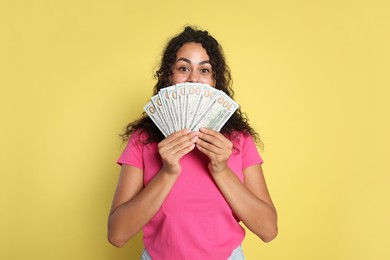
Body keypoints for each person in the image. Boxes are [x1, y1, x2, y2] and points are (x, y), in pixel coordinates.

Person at [107, 26, 278, 260]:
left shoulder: (239, 141)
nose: (194, 79)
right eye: (183, 68)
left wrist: (221, 169)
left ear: (215, 81)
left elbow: (268, 230)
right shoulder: (142, 141)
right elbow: (117, 235)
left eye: (204, 70)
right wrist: (167, 172)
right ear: (169, 77)